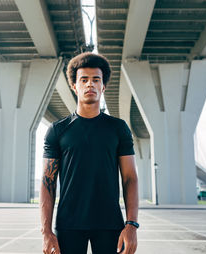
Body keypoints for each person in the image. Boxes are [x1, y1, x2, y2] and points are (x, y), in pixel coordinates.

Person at [40, 52, 139, 254]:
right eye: (83, 80)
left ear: (103, 87)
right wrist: (46, 232)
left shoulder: (118, 128)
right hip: (68, 225)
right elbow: (47, 182)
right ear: (74, 86)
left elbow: (130, 178)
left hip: (110, 224)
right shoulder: (58, 130)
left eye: (96, 80)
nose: (90, 85)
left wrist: (131, 225)